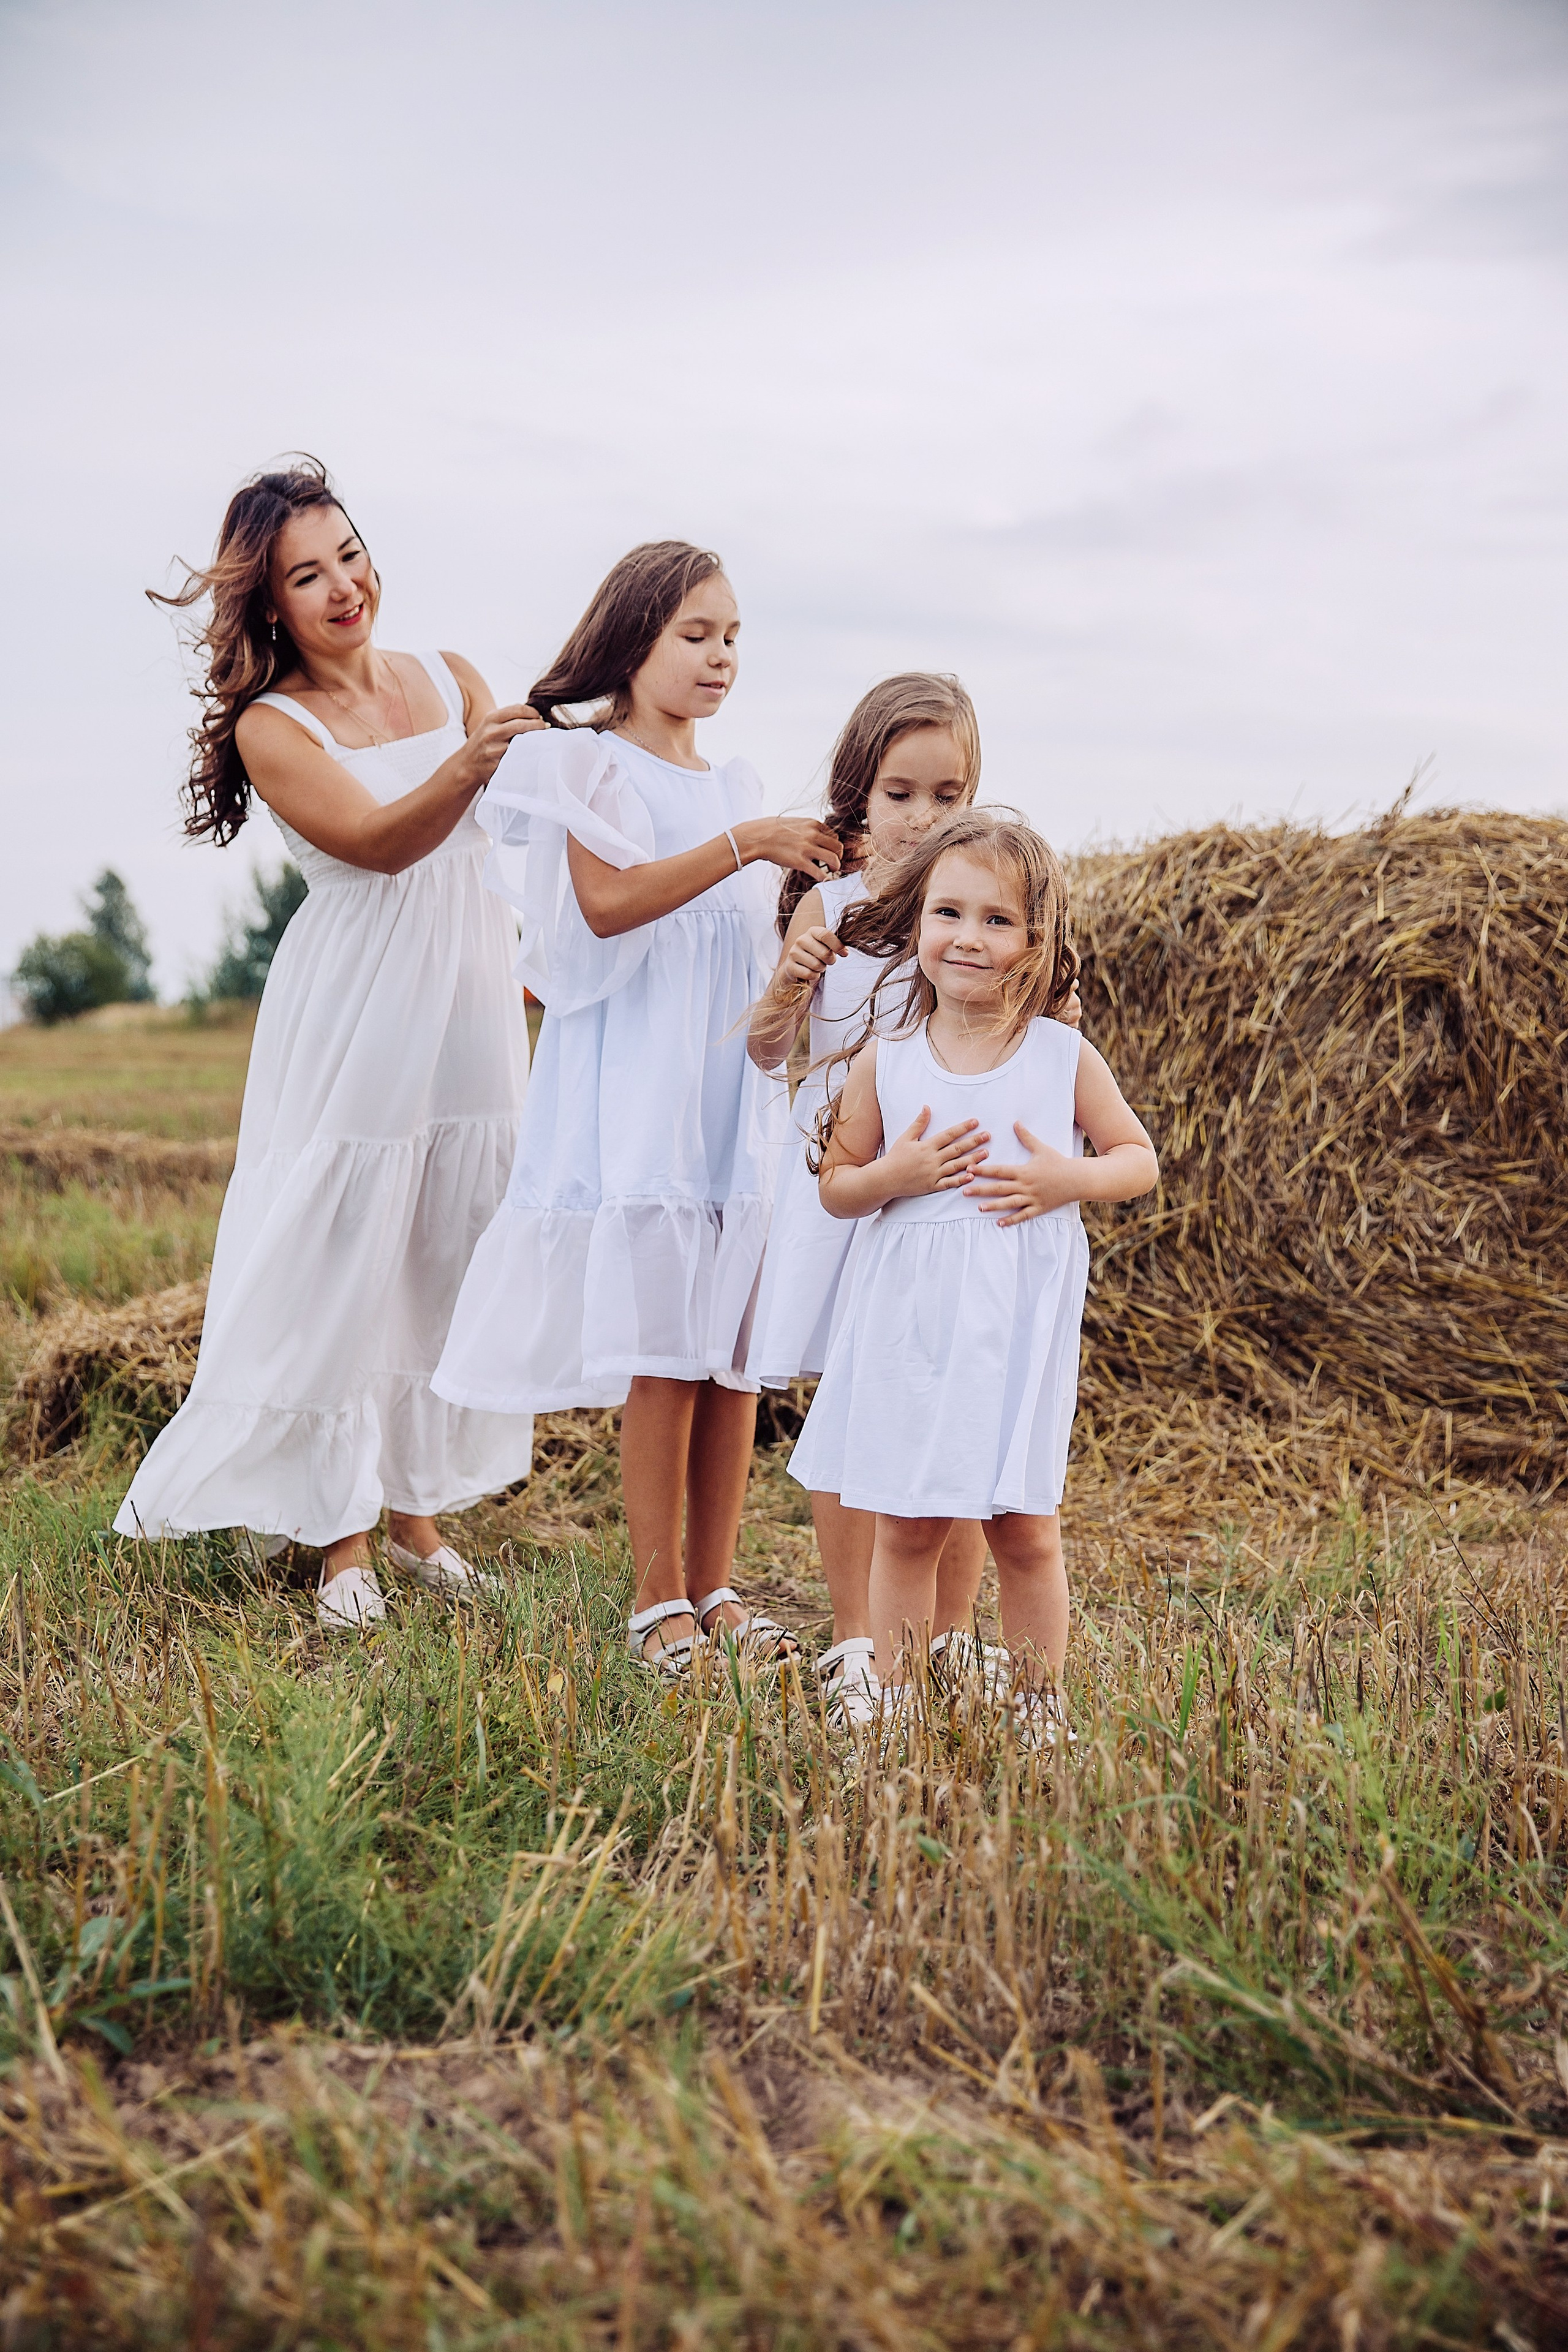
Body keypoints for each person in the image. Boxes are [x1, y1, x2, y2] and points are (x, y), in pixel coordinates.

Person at [115, 459, 539, 1630]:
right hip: (358, 1005)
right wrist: (473, 757)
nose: (345, 585)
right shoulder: (272, 725)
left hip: (465, 994)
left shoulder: (451, 676)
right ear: (271, 606)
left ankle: (416, 1524)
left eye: (349, 553)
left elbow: (506, 835)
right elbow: (381, 840)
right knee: (345, 1243)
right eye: (309, 574)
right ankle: (336, 1539)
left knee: (445, 1240)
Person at [432, 542, 842, 1677]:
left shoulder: (737, 783)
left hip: (733, 1092)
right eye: (696, 636)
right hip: (648, 1090)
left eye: (733, 637)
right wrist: (748, 846)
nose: (721, 659)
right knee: (665, 1350)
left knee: (730, 1353)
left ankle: (716, 1586)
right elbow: (608, 908)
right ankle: (654, 1600)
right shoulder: (593, 769)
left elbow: (747, 936)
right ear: (635, 639)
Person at [788, 810, 1158, 1745]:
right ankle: (902, 1708)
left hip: (1016, 1331)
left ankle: (1040, 1709)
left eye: (997, 919)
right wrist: (892, 1179)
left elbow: (1136, 1159)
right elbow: (836, 1186)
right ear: (918, 925)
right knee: (909, 1527)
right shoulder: (891, 1061)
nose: (968, 936)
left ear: (1036, 941)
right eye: (948, 912)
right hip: (912, 1329)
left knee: (1024, 1530)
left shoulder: (1059, 1057)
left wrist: (1064, 1179)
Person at [745, 675, 991, 1728]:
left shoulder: (981, 913)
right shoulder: (830, 909)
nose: (924, 818)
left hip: (944, 1200)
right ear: (858, 799)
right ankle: (856, 1636)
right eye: (901, 794)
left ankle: (945, 1641)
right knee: (849, 1415)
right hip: (846, 1194)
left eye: (948, 794)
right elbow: (766, 1054)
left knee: (952, 1409)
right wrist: (788, 980)